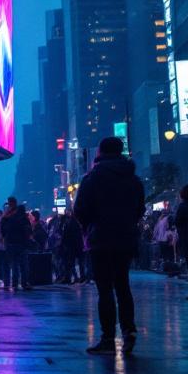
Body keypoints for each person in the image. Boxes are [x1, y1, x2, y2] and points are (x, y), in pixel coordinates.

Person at [73, 137, 145, 355]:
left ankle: (107, 339)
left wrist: (89, 226)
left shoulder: (92, 178)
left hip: (100, 239)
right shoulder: (133, 179)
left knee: (105, 290)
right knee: (123, 285)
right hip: (126, 237)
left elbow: (79, 209)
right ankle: (129, 331)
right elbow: (140, 209)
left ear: (100, 152)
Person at [1, 198, 33, 291]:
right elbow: (29, 230)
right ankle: (24, 283)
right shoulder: (23, 218)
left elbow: (3, 229)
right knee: (24, 264)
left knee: (14, 265)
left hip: (11, 243)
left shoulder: (9, 217)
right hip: (22, 244)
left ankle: (15, 284)